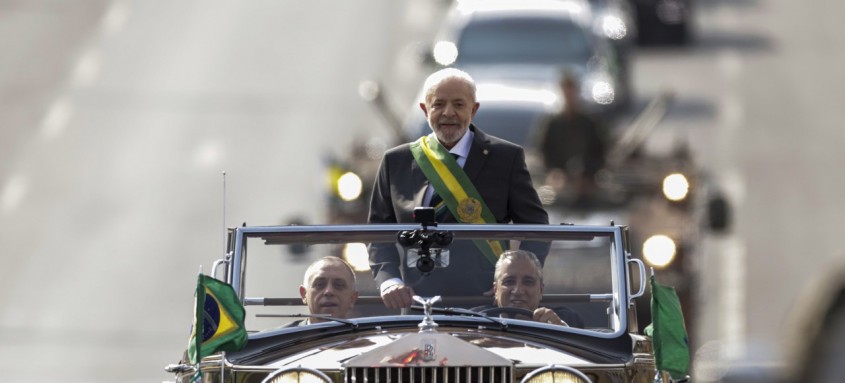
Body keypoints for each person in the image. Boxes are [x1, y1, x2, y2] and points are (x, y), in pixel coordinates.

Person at [368, 68, 549, 309]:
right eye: (438, 104)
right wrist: (389, 280)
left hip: (485, 303)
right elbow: (377, 230)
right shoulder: (397, 161)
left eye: (459, 104)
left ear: (473, 110)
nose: (448, 113)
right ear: (425, 110)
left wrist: (516, 280)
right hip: (417, 302)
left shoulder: (505, 158)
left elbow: (537, 227)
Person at [539, 72, 609, 204]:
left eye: (571, 92)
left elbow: (600, 153)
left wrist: (588, 174)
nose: (569, 96)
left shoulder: (589, 124)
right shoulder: (553, 124)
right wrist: (556, 172)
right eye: (566, 92)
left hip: (587, 177)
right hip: (559, 176)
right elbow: (545, 153)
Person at [491, 250, 581, 326]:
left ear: (541, 291)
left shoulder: (565, 319)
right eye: (509, 282)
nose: (518, 291)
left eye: (528, 282)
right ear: (495, 290)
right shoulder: (478, 320)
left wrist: (560, 331)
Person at [294, 256, 359, 326]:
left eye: (339, 285)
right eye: (320, 284)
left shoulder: (364, 336)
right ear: (304, 294)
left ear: (352, 298)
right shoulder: (285, 335)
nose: (329, 291)